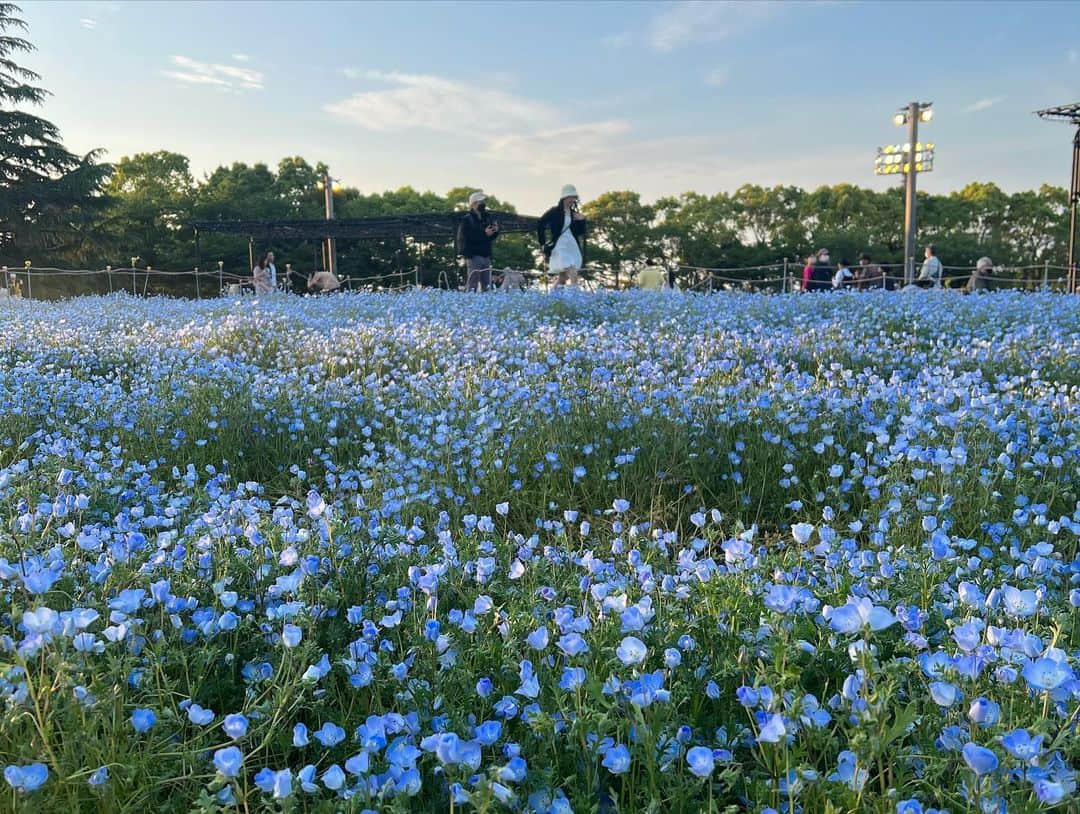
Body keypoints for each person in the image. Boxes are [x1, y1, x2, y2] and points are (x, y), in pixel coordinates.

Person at [538, 184, 587, 288]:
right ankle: (575, 297)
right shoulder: (554, 211)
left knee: (563, 278)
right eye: (571, 197)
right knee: (572, 271)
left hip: (571, 245)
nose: (572, 200)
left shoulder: (574, 214)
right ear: (564, 198)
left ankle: (552, 298)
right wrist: (542, 243)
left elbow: (579, 232)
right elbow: (540, 223)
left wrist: (581, 221)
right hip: (560, 244)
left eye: (574, 198)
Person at [457, 191, 500, 292]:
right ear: (473, 204)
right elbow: (466, 237)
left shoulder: (487, 217)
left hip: (486, 255)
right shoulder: (466, 220)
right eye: (480, 202)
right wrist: (484, 233)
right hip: (474, 256)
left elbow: (489, 237)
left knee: (487, 284)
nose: (483, 204)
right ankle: (470, 304)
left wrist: (494, 232)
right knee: (473, 283)